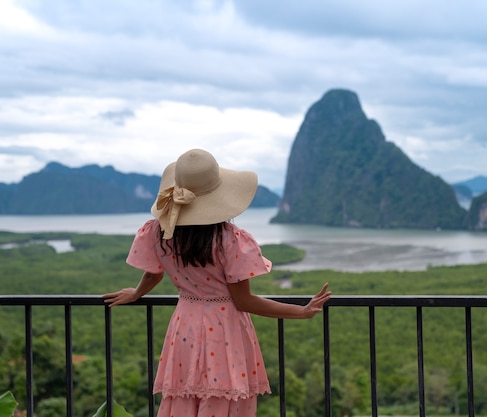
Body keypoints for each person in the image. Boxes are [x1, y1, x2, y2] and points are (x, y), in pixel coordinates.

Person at [103, 148, 332, 417]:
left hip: (185, 324)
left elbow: (154, 273)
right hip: (225, 329)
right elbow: (243, 300)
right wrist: (301, 311)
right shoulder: (230, 240)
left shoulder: (158, 231)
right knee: (223, 399)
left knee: (184, 396)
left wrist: (137, 292)